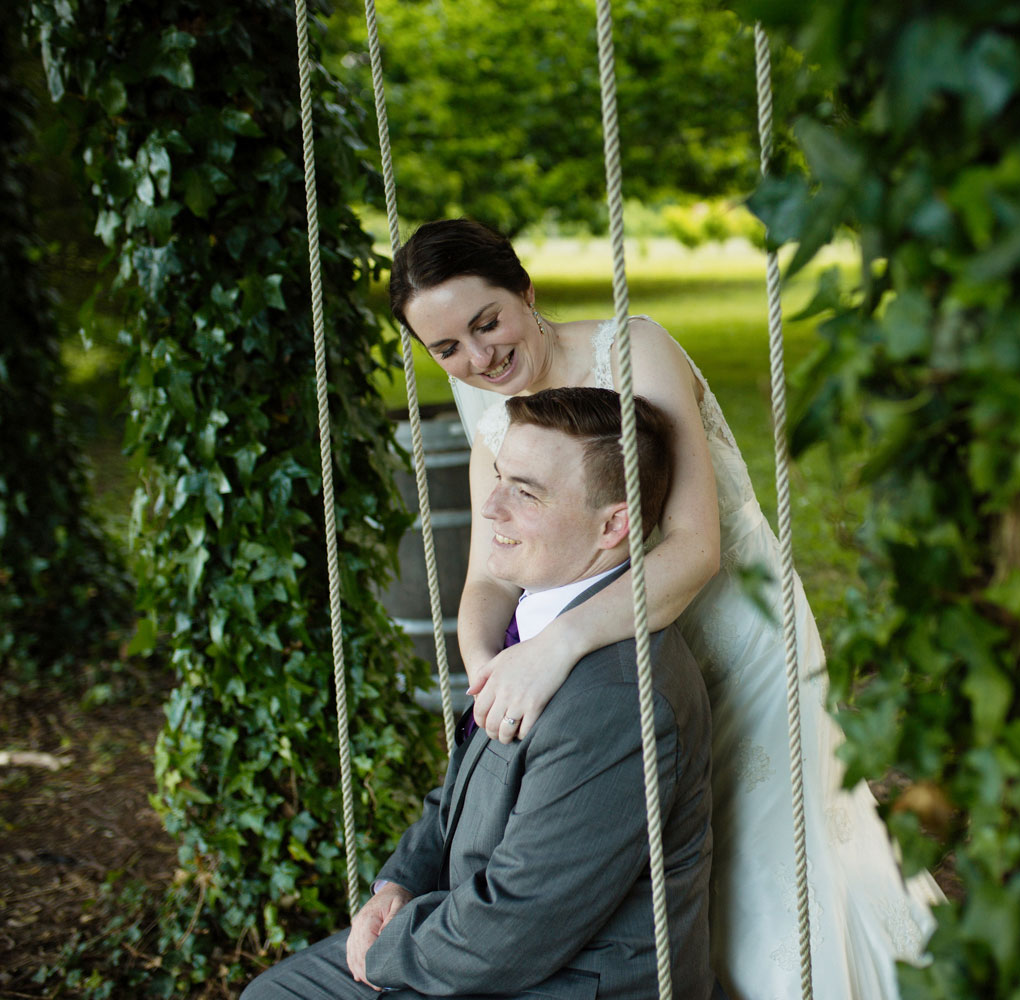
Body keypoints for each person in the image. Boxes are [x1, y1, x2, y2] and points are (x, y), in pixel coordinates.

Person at [392, 219, 941, 1000]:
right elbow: (486, 582)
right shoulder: (493, 424)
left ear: (525, 292)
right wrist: (489, 674)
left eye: (487, 323)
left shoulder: (633, 349)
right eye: (447, 350)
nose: (478, 360)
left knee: (765, 860)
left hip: (732, 634)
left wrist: (553, 650)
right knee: (672, 876)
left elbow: (691, 549)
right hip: (620, 674)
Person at [244, 388, 715, 1000]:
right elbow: (461, 795)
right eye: (499, 479)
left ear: (613, 525)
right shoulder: (533, 635)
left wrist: (388, 948)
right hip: (475, 936)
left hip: (561, 980)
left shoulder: (617, 696)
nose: (490, 507)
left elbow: (521, 922)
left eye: (526, 491)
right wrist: (397, 888)